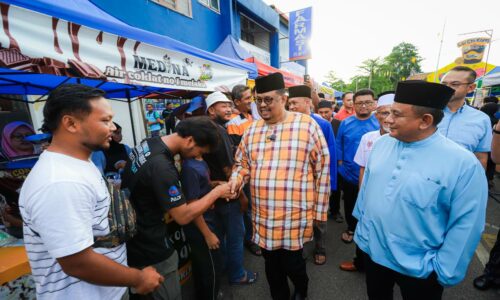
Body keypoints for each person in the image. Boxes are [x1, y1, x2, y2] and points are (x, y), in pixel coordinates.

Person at [19, 84, 164, 299]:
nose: (114, 127)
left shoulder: (79, 164)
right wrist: (138, 278)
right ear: (70, 123)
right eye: (105, 120)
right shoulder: (60, 181)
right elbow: (77, 262)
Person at [353, 80, 488, 300]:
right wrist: (363, 235)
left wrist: (442, 270)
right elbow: (367, 190)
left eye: (396, 114)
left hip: (421, 267)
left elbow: (467, 223)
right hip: (374, 253)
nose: (387, 119)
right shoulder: (381, 144)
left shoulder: (463, 163)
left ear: (425, 120)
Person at [230, 73, 330, 300]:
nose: (262, 105)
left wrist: (320, 212)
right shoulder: (252, 131)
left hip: (294, 214)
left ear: (283, 98)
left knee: (293, 264)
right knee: (271, 265)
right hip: (264, 215)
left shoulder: (307, 126)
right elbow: (241, 164)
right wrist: (237, 180)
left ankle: (302, 290)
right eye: (258, 100)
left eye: (268, 100)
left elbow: (322, 170)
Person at [122, 116, 236, 300]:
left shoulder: (150, 143)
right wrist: (218, 192)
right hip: (150, 240)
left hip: (135, 233)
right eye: (200, 151)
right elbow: (183, 216)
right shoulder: (163, 167)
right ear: (190, 140)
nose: (196, 156)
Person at [203, 91, 257, 285]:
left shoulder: (209, 128)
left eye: (229, 105)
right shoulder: (219, 132)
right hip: (227, 192)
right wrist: (241, 196)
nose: (229, 109)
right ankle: (237, 274)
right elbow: (228, 170)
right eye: (223, 106)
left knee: (222, 235)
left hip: (212, 193)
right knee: (235, 235)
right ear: (211, 110)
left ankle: (226, 267)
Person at [339, 91, 394, 272]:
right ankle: (360, 263)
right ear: (377, 114)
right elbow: (362, 167)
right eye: (384, 113)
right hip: (365, 190)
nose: (389, 119)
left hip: (393, 199)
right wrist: (364, 196)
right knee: (363, 229)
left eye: (394, 113)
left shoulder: (407, 140)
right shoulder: (368, 137)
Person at [287, 85, 336, 266]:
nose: (290, 107)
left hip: (317, 181)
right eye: (289, 103)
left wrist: (331, 183)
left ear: (307, 102)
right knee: (299, 217)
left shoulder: (322, 124)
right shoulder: (287, 123)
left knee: (319, 217)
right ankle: (299, 247)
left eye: (294, 103)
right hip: (297, 182)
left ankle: (320, 247)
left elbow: (330, 154)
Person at [336, 89, 379, 244]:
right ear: (353, 105)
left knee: (371, 204)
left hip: (373, 174)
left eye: (368, 102)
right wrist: (340, 165)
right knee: (350, 203)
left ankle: (368, 231)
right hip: (349, 172)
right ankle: (351, 228)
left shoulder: (378, 122)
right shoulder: (345, 123)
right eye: (359, 103)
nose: (363, 106)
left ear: (374, 104)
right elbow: (338, 144)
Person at [181, 154, 223, 300]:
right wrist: (208, 234)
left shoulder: (201, 161)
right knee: (211, 272)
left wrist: (216, 185)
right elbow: (192, 205)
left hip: (210, 221)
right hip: (202, 228)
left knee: (205, 269)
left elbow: (203, 186)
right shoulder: (189, 168)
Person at [226, 84, 261, 256]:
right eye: (247, 98)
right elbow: (237, 154)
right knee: (248, 208)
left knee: (256, 207)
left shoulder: (254, 117)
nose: (251, 101)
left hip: (259, 172)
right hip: (247, 173)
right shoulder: (234, 123)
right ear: (237, 102)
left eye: (251, 97)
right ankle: (251, 240)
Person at [438, 66, 492, 169]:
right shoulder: (426, 112)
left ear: (471, 88)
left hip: (460, 179)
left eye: (455, 84)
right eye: (444, 84)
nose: (447, 87)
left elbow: (480, 157)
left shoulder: (481, 119)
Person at [317, 100, 343, 222]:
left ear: (332, 111)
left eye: (326, 112)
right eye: (320, 112)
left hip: (335, 160)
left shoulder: (339, 123)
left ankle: (335, 211)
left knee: (335, 187)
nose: (323, 115)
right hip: (320, 161)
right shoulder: (316, 123)